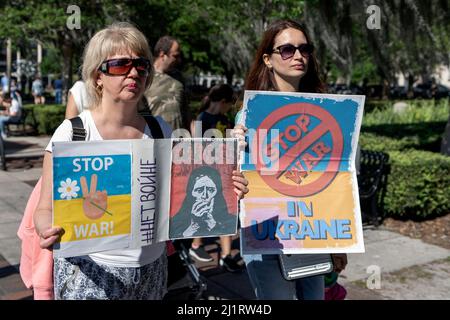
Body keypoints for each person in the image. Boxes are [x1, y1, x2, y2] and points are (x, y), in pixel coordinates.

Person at [34, 22, 248, 300]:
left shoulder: (160, 130)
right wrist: (45, 229)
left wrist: (231, 190)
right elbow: (44, 208)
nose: (133, 72)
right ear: (98, 75)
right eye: (121, 65)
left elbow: (184, 196)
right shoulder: (74, 132)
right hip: (90, 269)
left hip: (152, 268)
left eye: (141, 65)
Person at [233, 19, 348, 300]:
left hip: (312, 233)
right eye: (286, 49)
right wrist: (233, 154)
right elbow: (233, 184)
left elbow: (334, 178)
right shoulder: (249, 117)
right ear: (268, 59)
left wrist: (339, 241)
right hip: (268, 234)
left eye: (304, 49)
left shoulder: (326, 109)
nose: (298, 56)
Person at [188, 84, 243, 273]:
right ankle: (196, 246)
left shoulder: (223, 118)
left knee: (224, 212)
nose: (229, 109)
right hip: (208, 174)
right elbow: (197, 150)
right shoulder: (203, 119)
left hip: (223, 170)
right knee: (210, 212)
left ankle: (225, 255)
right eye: (229, 105)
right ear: (222, 102)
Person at [170, 166, 236, 238]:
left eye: (210, 190)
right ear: (191, 192)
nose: (205, 195)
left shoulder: (231, 220)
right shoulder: (175, 222)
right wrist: (192, 227)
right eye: (199, 190)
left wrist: (212, 223)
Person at [144, 36, 190, 130]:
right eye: (175, 56)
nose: (179, 60)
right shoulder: (145, 76)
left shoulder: (178, 77)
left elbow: (187, 113)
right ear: (162, 54)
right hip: (155, 140)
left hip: (179, 141)